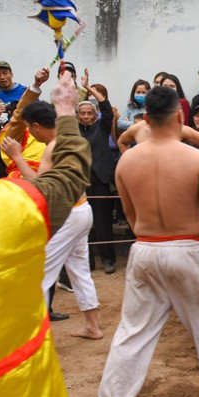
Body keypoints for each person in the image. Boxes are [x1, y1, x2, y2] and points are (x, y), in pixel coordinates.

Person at [96, 86, 199, 397]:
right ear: (181, 118)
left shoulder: (128, 161)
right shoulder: (196, 159)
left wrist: (151, 239)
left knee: (134, 329)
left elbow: (131, 216)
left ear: (146, 119)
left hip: (146, 247)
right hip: (188, 247)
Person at [0, 74, 91, 397]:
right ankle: (86, 320)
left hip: (42, 214)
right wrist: (60, 105)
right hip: (28, 216)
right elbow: (67, 177)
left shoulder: (36, 145)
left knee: (65, 271)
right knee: (64, 272)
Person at [1, 100, 102, 340]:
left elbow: (42, 184)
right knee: (79, 271)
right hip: (82, 210)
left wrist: (17, 156)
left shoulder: (53, 146)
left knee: (40, 274)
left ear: (36, 126)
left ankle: (34, 336)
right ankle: (92, 326)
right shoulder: (73, 140)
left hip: (66, 215)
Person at [77, 71, 118, 273]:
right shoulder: (72, 131)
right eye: (82, 113)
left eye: (89, 113)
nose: (85, 116)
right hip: (79, 182)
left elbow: (107, 110)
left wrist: (89, 89)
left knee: (103, 222)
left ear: (94, 115)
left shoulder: (101, 127)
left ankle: (108, 260)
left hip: (100, 180)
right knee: (83, 225)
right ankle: (88, 262)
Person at [117, 109, 199, 155]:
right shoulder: (137, 128)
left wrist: (196, 168)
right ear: (146, 115)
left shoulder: (180, 129)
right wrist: (129, 160)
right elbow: (121, 142)